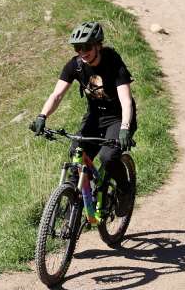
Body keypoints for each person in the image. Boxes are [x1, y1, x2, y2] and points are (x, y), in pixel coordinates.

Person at [29, 21, 136, 223]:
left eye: (86, 47)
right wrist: (42, 116)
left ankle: (124, 191)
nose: (82, 52)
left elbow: (126, 101)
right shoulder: (75, 65)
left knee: (108, 157)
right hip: (95, 117)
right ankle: (74, 205)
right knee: (76, 154)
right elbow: (57, 95)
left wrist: (125, 129)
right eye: (78, 48)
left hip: (119, 118)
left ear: (98, 45)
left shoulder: (113, 62)